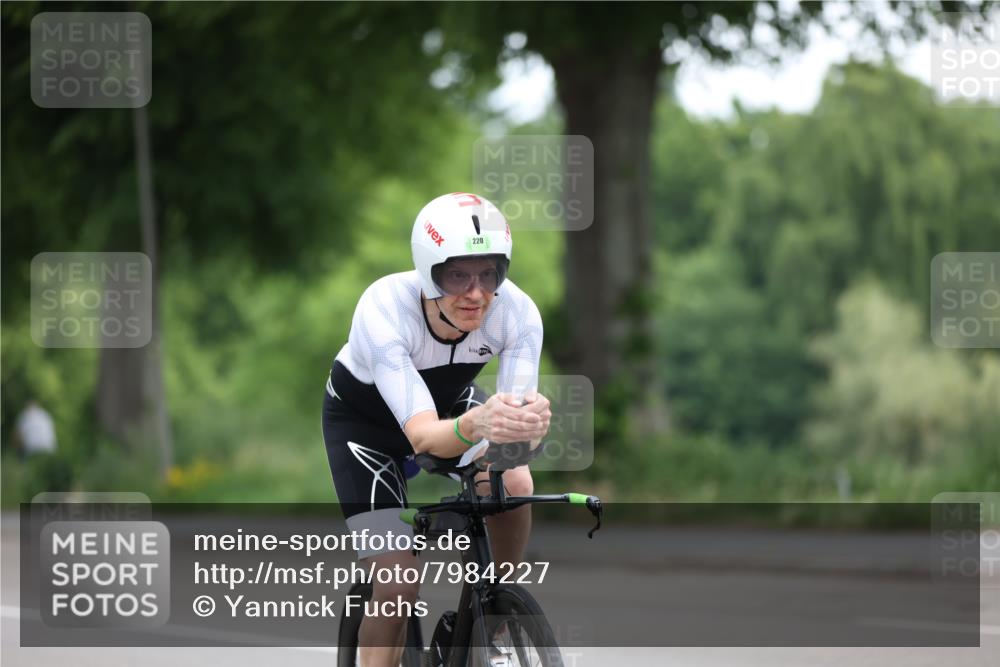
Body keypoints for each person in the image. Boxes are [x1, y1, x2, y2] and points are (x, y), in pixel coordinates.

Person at [321, 192, 550, 666]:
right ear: (428, 273)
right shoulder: (384, 306)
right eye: (457, 275)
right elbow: (424, 437)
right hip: (366, 430)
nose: (476, 293)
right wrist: (480, 424)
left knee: (516, 479)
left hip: (450, 407)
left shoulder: (519, 312)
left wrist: (527, 427)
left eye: (489, 273)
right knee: (398, 582)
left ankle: (494, 616)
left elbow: (511, 437)